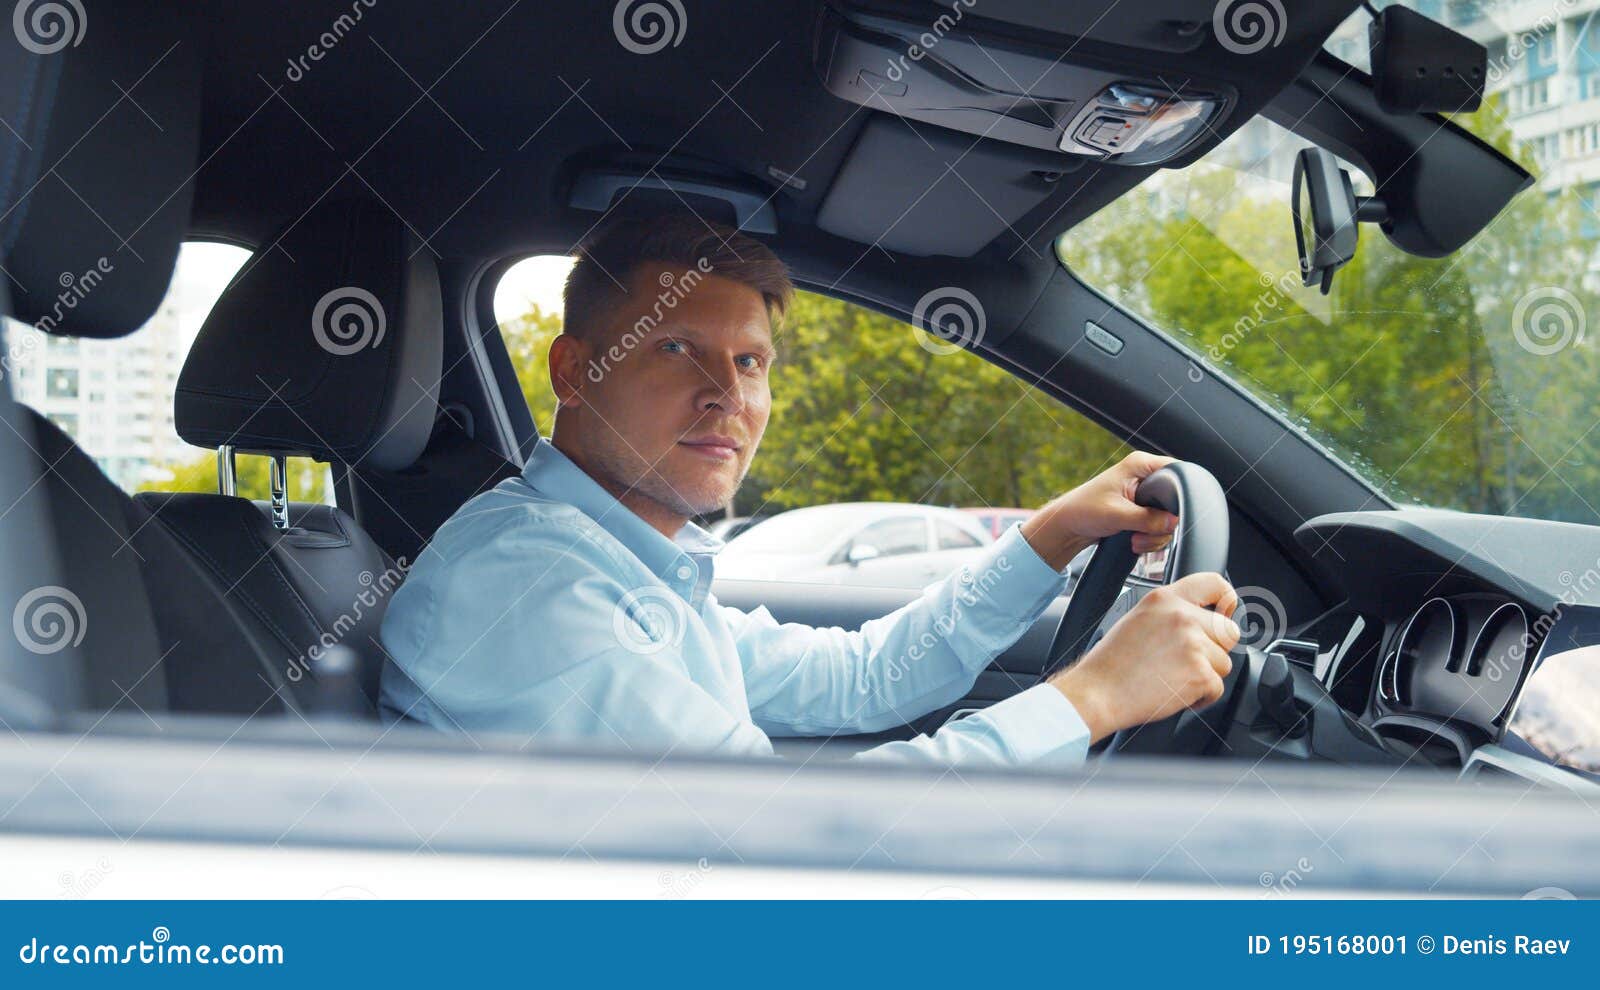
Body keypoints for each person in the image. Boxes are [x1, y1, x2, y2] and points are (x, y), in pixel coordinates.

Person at [379, 215, 1240, 766]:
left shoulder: (623, 562)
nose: (729, 396)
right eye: (677, 349)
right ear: (575, 371)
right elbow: (781, 845)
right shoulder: (527, 582)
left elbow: (859, 679)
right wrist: (1093, 699)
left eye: (750, 361)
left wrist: (1048, 537)